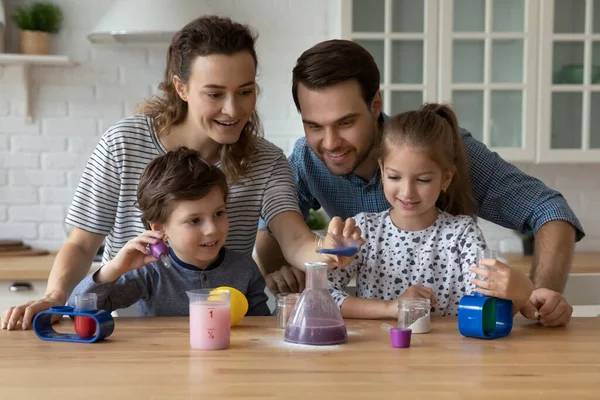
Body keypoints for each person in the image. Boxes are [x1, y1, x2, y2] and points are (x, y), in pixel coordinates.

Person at [1, 17, 360, 330]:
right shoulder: (123, 143)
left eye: (245, 91)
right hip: (130, 331)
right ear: (181, 88)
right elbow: (81, 243)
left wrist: (328, 251)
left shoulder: (265, 161)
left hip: (224, 333)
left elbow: (295, 240)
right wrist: (54, 296)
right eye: (214, 94)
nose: (233, 109)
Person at [255, 39, 582, 327]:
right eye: (314, 126)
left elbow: (548, 210)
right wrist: (281, 272)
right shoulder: (306, 159)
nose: (330, 143)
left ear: (376, 105)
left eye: (345, 123)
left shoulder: (442, 148)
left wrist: (540, 299)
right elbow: (275, 225)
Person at [328, 104, 533, 318]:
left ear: (446, 178)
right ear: (381, 170)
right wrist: (393, 307)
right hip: (380, 351)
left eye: (423, 179)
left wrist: (522, 292)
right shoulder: (364, 230)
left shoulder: (462, 234)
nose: (407, 192)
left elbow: (488, 310)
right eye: (394, 177)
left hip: (447, 351)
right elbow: (324, 296)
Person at [68, 148, 271, 317]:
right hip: (161, 363)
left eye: (219, 213)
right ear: (159, 228)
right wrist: (112, 269)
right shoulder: (151, 272)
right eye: (194, 220)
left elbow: (260, 328)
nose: (212, 229)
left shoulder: (244, 268)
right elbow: (78, 312)